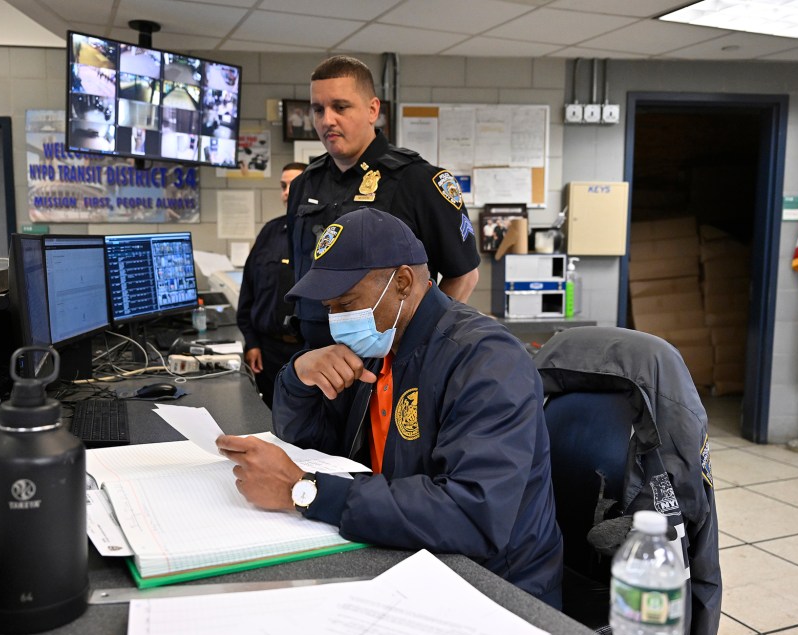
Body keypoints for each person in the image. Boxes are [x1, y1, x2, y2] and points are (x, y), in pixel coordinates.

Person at [216, 208, 563, 605]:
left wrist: (304, 490)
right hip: (408, 557)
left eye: (346, 304)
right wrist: (298, 379)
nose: (337, 321)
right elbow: (317, 448)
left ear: (401, 282)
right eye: (330, 308)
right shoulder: (379, 346)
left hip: (495, 589)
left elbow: (473, 514)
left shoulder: (486, 360)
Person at [288, 55, 480, 348]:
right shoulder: (305, 184)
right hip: (317, 359)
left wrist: (421, 343)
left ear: (372, 110)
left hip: (389, 364)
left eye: (340, 107)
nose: (327, 120)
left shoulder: (418, 181)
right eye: (318, 109)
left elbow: (464, 275)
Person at [237, 162, 308, 408]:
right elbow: (249, 291)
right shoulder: (269, 232)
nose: (286, 192)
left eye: (293, 185)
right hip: (267, 352)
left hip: (307, 350)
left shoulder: (324, 234)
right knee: (267, 420)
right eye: (283, 186)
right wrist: (251, 342)